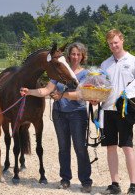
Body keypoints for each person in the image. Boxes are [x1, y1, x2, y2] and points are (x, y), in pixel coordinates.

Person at [20, 42, 93, 193]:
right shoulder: (59, 70)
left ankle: (85, 181)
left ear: (82, 56)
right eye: (73, 54)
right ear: (69, 55)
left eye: (78, 54)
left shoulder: (85, 74)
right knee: (63, 148)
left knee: (80, 148)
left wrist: (62, 95)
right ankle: (65, 179)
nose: (75, 57)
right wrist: (29, 92)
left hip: (77, 114)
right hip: (59, 114)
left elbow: (83, 94)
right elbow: (46, 90)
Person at [94, 29, 135, 195]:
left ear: (122, 40)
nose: (113, 46)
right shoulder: (105, 64)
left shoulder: (134, 61)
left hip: (125, 110)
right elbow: (101, 87)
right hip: (107, 110)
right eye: (110, 44)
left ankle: (133, 185)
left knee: (127, 146)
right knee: (110, 147)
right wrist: (95, 97)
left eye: (116, 42)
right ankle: (115, 184)